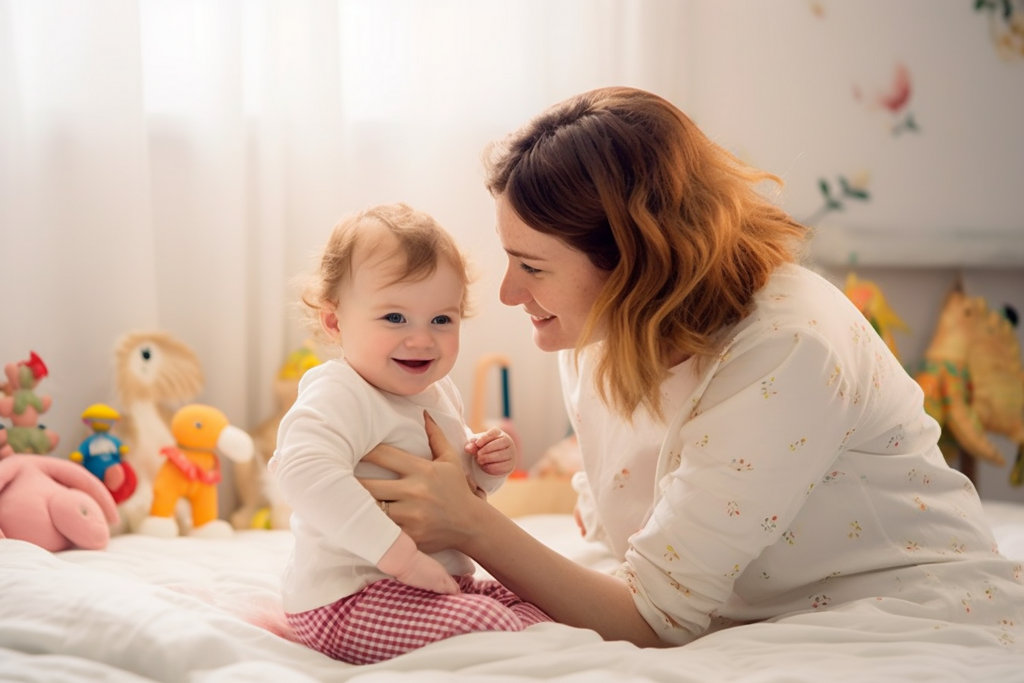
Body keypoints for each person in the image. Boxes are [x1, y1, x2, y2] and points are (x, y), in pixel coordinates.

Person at [358, 87, 1024, 649]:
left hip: (898, 608)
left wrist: (473, 525)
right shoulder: (602, 327)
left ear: (632, 260)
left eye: (531, 266)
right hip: (735, 607)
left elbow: (655, 618)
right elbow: (626, 524)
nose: (506, 293)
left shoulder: (788, 347)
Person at [269, 203, 551, 665]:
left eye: (442, 320)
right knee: (490, 626)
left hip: (434, 584)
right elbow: (302, 473)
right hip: (351, 597)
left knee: (543, 608)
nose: (422, 339)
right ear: (334, 321)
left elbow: (457, 492)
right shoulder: (341, 391)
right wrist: (400, 557)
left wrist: (485, 464)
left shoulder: (438, 392)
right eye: (395, 318)